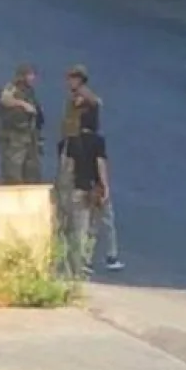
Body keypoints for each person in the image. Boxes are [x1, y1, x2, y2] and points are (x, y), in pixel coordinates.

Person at [63, 107, 112, 278]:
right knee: (92, 227)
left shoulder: (72, 141)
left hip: (77, 188)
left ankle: (76, 264)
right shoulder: (98, 141)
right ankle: (86, 261)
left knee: (78, 228)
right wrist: (105, 186)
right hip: (93, 189)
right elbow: (101, 164)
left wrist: (64, 188)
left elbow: (67, 167)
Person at [0, 64, 44, 184]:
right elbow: (5, 99)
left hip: (28, 135)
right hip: (14, 136)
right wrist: (23, 104)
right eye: (30, 75)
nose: (32, 78)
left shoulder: (29, 91)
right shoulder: (12, 87)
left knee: (31, 170)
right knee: (13, 169)